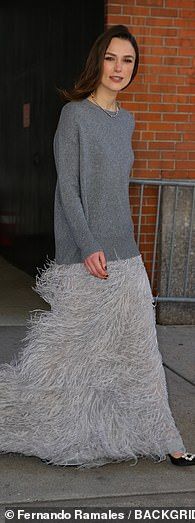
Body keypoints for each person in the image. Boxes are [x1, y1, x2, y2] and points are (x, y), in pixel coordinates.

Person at [0, 24, 194, 468]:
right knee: (73, 359)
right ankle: (47, 420)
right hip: (84, 256)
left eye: (127, 60)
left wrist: (124, 244)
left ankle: (166, 436)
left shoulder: (126, 121)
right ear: (97, 61)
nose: (119, 68)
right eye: (111, 58)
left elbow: (115, 191)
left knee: (142, 348)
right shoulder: (75, 116)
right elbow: (68, 188)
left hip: (126, 252)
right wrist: (87, 246)